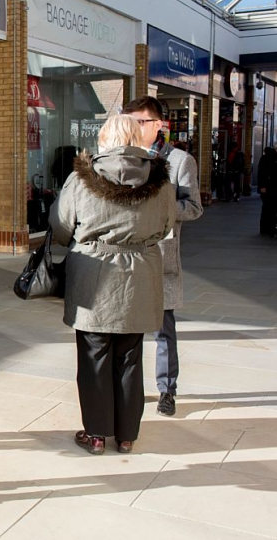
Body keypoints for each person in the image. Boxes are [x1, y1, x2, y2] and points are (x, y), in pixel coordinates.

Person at [49, 115, 176, 455]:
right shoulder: (160, 179)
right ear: (138, 137)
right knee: (130, 354)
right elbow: (165, 226)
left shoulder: (82, 177)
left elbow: (61, 228)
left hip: (93, 275)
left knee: (93, 354)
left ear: (104, 139)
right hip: (140, 275)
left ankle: (95, 434)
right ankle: (126, 435)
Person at [125, 96, 204, 417]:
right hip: (126, 260)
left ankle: (166, 390)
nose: (134, 128)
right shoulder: (123, 158)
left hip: (160, 258)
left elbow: (194, 208)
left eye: (141, 122)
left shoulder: (180, 161)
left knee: (162, 332)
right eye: (130, 122)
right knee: (126, 332)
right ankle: (129, 390)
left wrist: (158, 209)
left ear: (159, 125)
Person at [258, 147, 277, 237]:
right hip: (273, 188)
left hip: (267, 188)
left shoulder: (264, 159)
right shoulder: (274, 159)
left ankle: (266, 228)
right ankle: (271, 229)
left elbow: (261, 173)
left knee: (267, 208)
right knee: (272, 209)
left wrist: (262, 186)